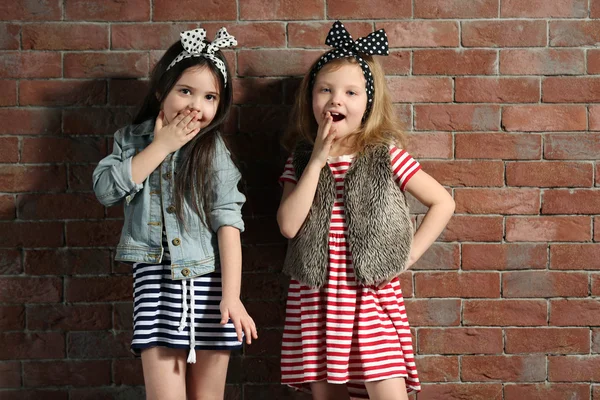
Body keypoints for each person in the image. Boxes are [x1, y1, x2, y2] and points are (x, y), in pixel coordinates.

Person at [277, 21, 455, 400]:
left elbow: (443, 202)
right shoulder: (301, 158)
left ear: (368, 104)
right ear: (311, 99)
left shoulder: (385, 153)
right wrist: (316, 162)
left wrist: (407, 256)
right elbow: (289, 226)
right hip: (318, 298)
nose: (336, 99)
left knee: (387, 389)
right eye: (325, 89)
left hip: (371, 296)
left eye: (350, 92)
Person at [93, 27, 257, 400]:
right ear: (160, 92)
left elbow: (228, 222)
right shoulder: (131, 139)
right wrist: (162, 145)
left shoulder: (212, 149)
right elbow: (105, 191)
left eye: (210, 96)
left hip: (211, 283)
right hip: (155, 280)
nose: (196, 105)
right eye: (185, 91)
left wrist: (231, 296)